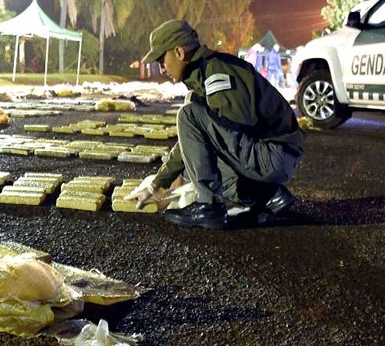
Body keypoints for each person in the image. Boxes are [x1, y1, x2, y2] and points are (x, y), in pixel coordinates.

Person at [127, 20, 304, 229]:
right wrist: (159, 183)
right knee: (196, 160)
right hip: (270, 153)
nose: (162, 68)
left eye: (161, 60)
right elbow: (202, 143)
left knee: (189, 116)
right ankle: (268, 196)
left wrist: (196, 173)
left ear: (179, 52)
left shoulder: (218, 74)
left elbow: (236, 130)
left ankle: (209, 207)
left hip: (274, 154)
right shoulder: (204, 75)